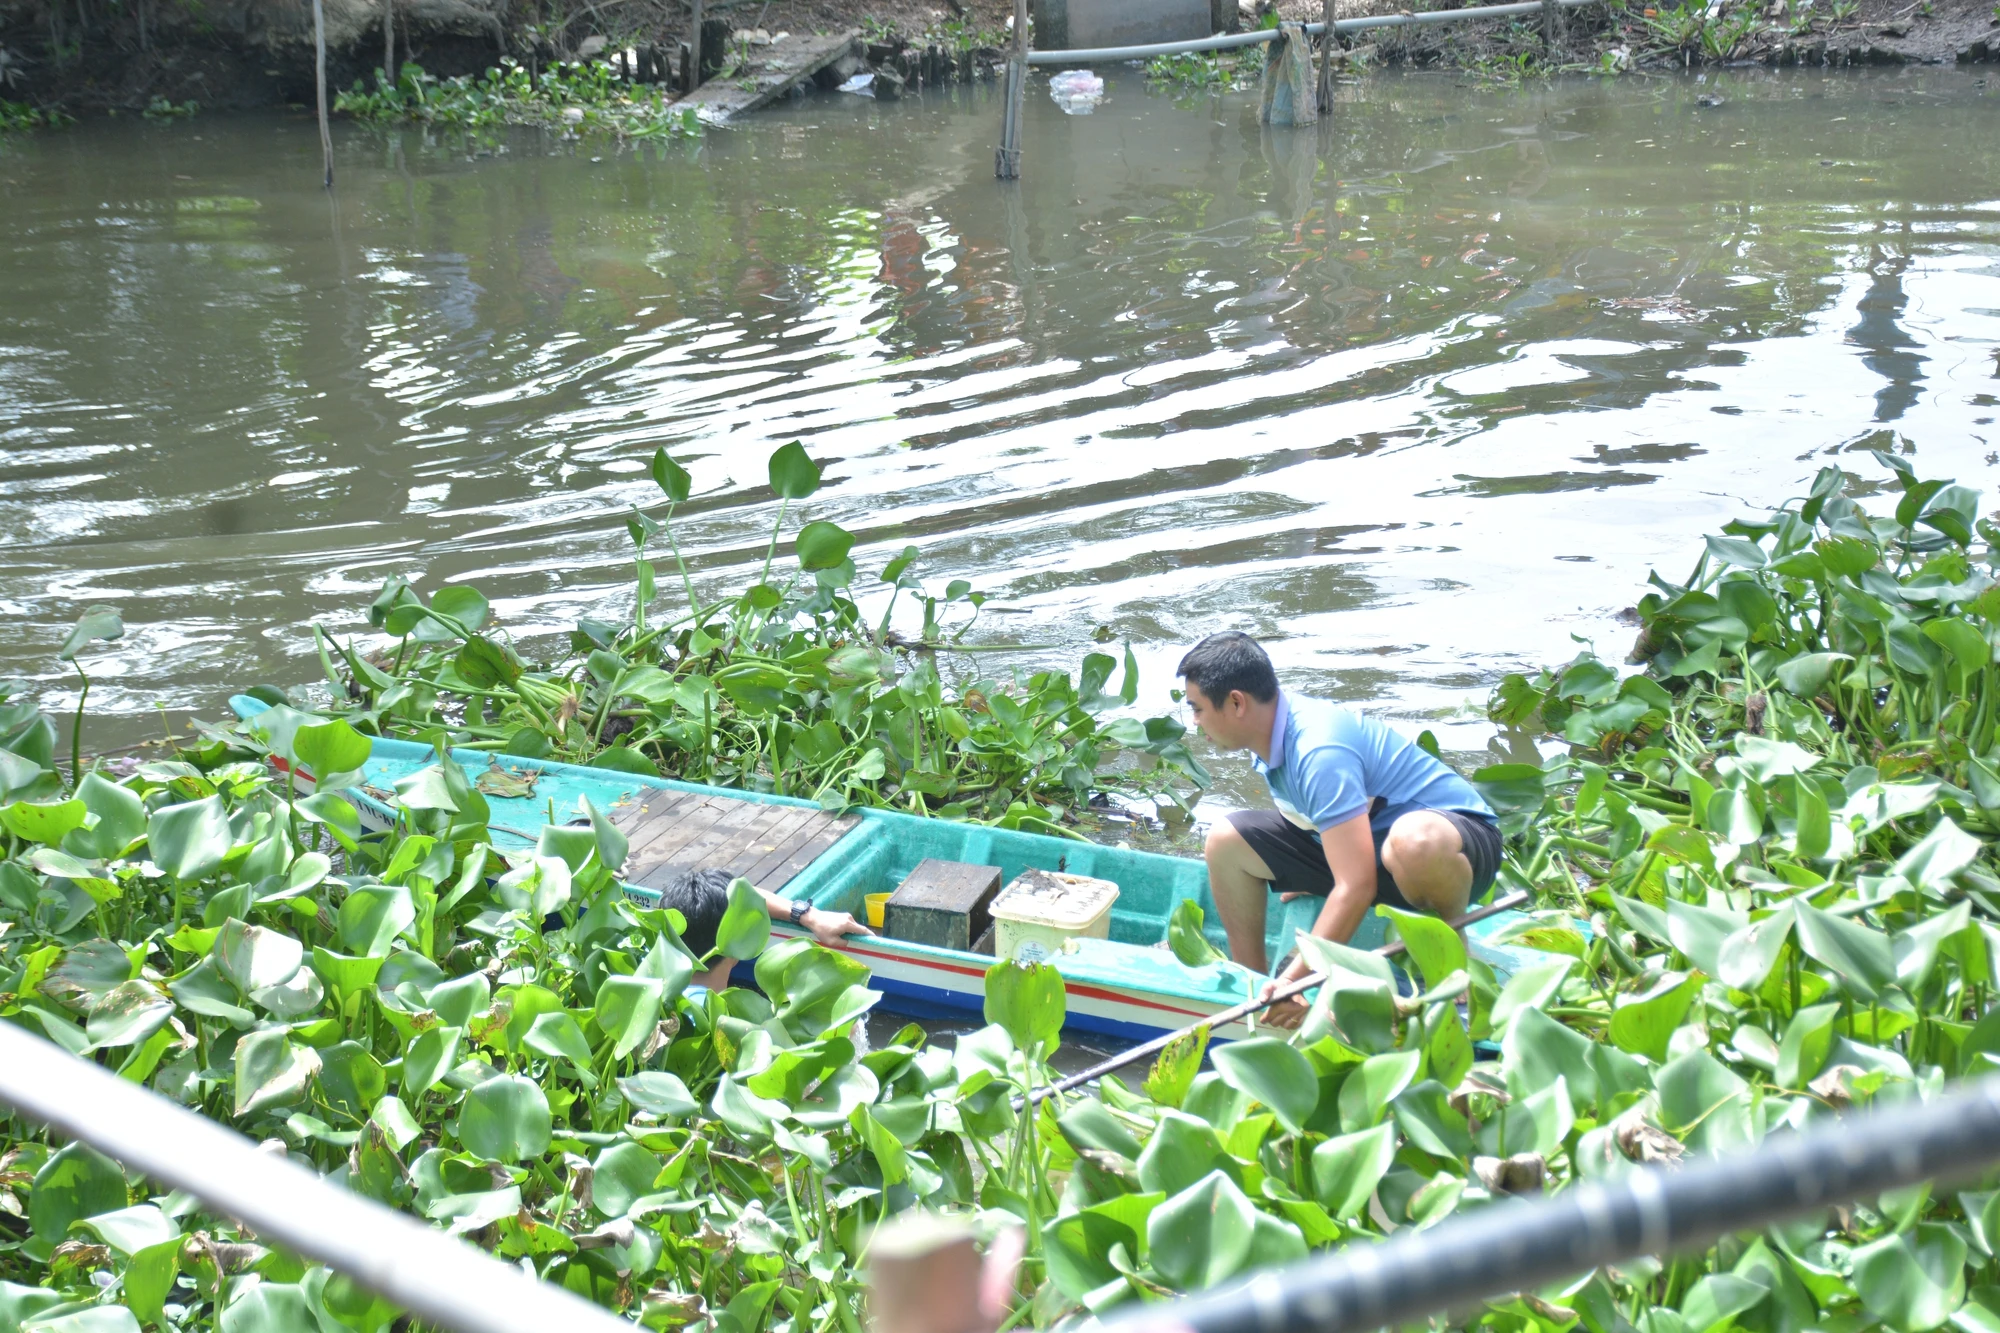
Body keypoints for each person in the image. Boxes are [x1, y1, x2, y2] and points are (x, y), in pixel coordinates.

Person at [1176, 632, 1501, 1026]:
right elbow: (1323, 816)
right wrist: (1312, 866)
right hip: (1373, 848)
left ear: (1236, 702)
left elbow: (1358, 884)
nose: (1195, 721)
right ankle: (1258, 989)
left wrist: (1296, 977)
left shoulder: (1318, 749)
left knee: (1413, 841)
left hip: (1456, 847)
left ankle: (1453, 947)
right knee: (1226, 840)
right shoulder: (1271, 728)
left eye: (1197, 708)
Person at [656, 868, 874, 992]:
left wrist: (808, 915)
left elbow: (741, 893)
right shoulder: (725, 1033)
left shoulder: (653, 990)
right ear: (740, 937)